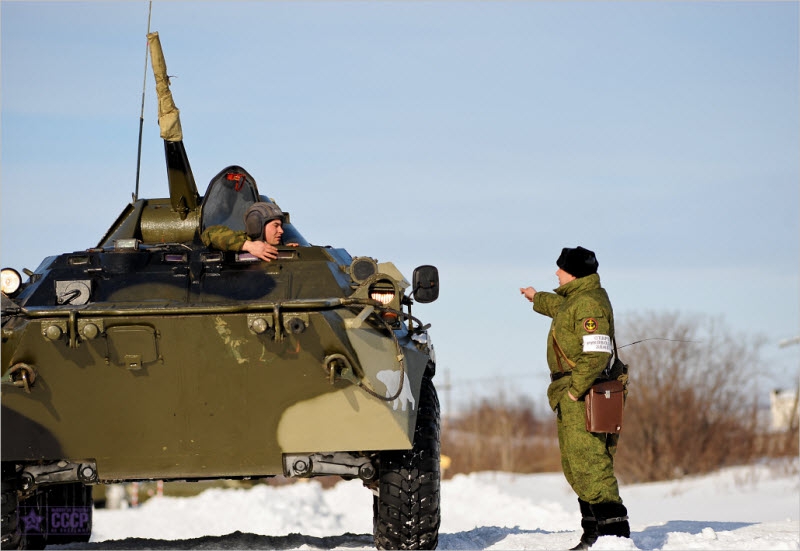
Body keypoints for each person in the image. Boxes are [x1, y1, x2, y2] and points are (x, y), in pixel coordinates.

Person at [519, 246, 630, 549]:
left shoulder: (589, 304)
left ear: (575, 273)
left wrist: (573, 391)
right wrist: (535, 296)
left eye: (561, 269)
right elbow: (560, 309)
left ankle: (614, 540)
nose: (557, 273)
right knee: (577, 466)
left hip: (583, 395)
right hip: (572, 395)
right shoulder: (578, 300)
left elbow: (596, 354)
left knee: (592, 465)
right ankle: (594, 537)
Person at [201, 202, 296, 261]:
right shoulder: (243, 239)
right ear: (257, 225)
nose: (281, 231)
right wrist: (249, 246)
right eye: (276, 225)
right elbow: (210, 233)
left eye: (281, 226)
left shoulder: (278, 245)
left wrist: (285, 251)